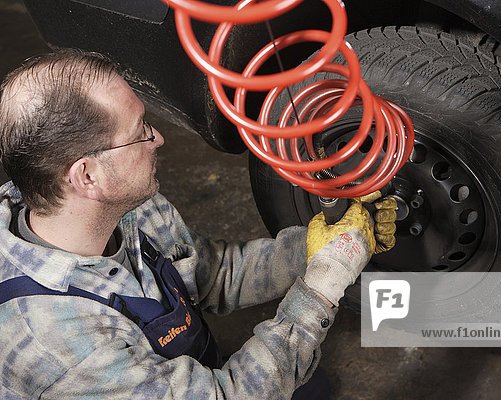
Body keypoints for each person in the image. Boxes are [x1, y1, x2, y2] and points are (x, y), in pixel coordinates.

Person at [0, 49, 397, 399]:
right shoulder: (59, 343)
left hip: (191, 375)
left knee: (307, 381)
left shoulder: (127, 204)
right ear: (87, 177)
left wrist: (312, 247)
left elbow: (211, 274)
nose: (157, 139)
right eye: (139, 132)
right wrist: (323, 286)